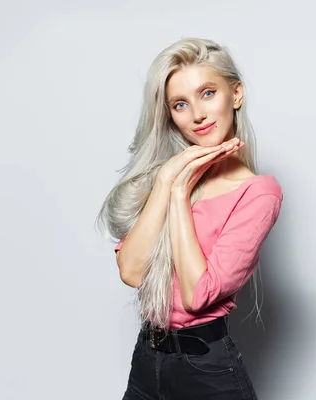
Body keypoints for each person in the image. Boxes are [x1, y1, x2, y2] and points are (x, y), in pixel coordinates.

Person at [96, 37, 283, 399]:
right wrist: (168, 179)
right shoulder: (164, 175)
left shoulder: (258, 192)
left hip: (207, 370)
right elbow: (131, 272)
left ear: (236, 94)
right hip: (148, 359)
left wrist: (180, 194)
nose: (197, 114)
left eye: (208, 93)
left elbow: (199, 296)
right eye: (180, 104)